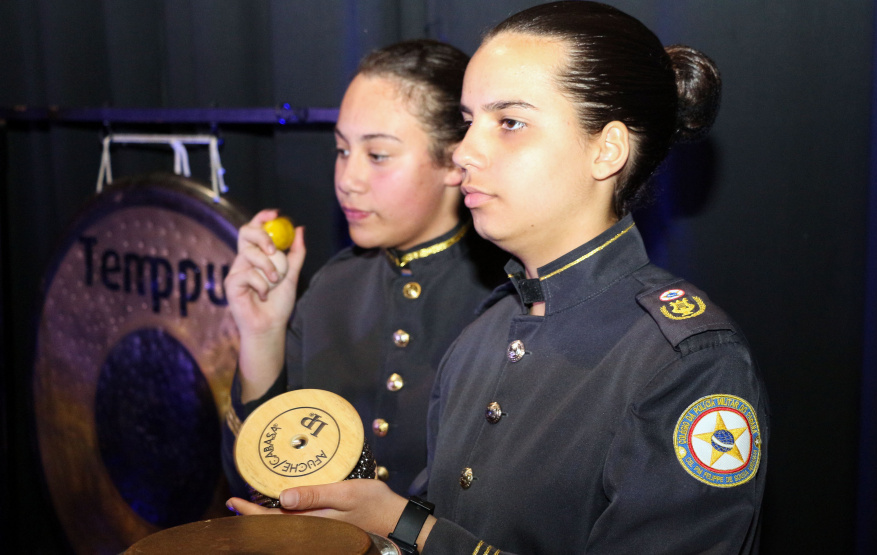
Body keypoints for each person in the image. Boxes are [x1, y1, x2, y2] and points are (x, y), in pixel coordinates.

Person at [228, 3, 769, 554]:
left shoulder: (688, 362)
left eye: (509, 122)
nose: (464, 152)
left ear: (606, 149)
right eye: (468, 123)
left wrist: (404, 523)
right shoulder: (486, 334)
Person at [221, 39, 506, 498]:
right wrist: (262, 334)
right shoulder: (332, 287)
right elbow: (256, 486)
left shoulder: (509, 298)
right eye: (340, 150)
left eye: (376, 155)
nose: (347, 180)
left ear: (455, 160)